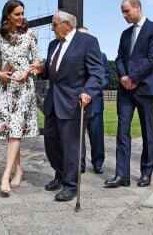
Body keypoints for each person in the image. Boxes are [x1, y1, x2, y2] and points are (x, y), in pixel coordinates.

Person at [42, 10, 104, 202]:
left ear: (67, 25)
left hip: (74, 102)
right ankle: (60, 174)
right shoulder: (53, 44)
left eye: (54, 25)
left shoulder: (88, 42)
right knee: (51, 143)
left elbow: (96, 72)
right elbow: (54, 71)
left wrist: (88, 91)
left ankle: (71, 185)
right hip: (53, 101)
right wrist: (41, 70)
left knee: (71, 146)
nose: (52, 29)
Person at [105, 0, 153, 188]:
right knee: (122, 132)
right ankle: (122, 175)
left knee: (148, 132)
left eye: (126, 11)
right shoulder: (125, 34)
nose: (124, 15)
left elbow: (152, 58)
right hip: (125, 91)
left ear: (137, 8)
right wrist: (123, 77)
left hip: (145, 88)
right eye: (122, 12)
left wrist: (133, 78)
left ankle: (146, 173)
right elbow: (120, 58)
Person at [0, 0, 42, 196]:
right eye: (17, 14)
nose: (21, 17)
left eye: (22, 13)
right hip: (5, 87)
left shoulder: (30, 34)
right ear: (8, 16)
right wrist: (0, 74)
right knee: (12, 130)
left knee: (16, 130)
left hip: (24, 87)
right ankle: (19, 170)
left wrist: (28, 71)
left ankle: (6, 175)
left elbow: (37, 60)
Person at [78, 27, 111, 174]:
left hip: (95, 101)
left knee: (97, 135)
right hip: (78, 101)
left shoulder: (101, 56)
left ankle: (98, 163)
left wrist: (92, 90)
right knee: (78, 135)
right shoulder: (74, 56)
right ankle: (80, 164)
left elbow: (105, 77)